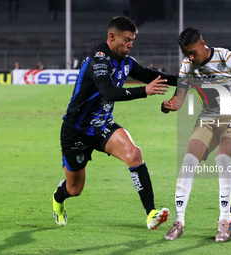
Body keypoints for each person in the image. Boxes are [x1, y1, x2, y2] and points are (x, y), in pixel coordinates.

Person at [52, 16, 177, 231]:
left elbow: (150, 75)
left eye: (132, 41)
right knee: (75, 189)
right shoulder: (97, 61)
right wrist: (144, 92)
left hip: (102, 126)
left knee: (134, 154)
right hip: (76, 131)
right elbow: (108, 92)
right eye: (127, 40)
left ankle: (151, 214)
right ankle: (58, 199)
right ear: (112, 37)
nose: (130, 45)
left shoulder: (126, 62)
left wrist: (185, 80)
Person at [162, 27, 231, 242]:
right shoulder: (186, 65)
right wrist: (168, 105)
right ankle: (179, 221)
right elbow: (179, 100)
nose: (190, 58)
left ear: (203, 44)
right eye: (186, 54)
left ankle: (224, 222)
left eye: (193, 52)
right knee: (188, 161)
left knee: (222, 157)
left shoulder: (225, 57)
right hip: (207, 119)